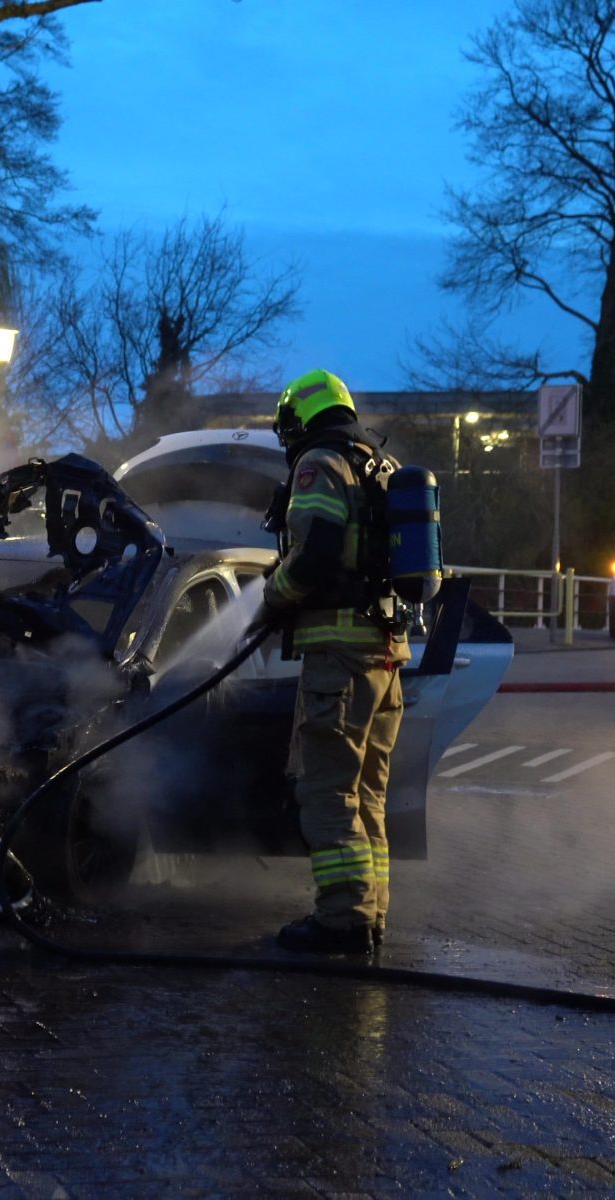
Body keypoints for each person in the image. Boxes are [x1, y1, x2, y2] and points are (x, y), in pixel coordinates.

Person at [259, 369, 408, 956]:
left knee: (328, 793)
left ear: (299, 418)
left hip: (338, 662)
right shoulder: (379, 466)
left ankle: (341, 922)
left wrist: (273, 597)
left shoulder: (320, 463)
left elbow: (316, 551)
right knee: (368, 794)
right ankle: (370, 915)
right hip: (386, 657)